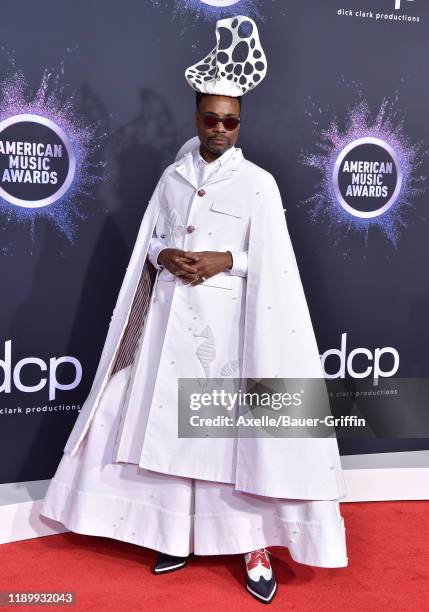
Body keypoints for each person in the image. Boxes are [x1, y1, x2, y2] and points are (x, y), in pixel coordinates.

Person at [39, 16, 348, 604]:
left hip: (230, 333)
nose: (221, 130)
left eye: (231, 121)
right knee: (170, 434)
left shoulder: (260, 185)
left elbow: (275, 264)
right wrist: (167, 252)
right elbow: (149, 242)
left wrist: (223, 260)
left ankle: (253, 544)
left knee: (233, 440)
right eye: (211, 118)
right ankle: (173, 532)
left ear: (240, 123)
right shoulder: (173, 176)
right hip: (167, 323)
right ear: (196, 116)